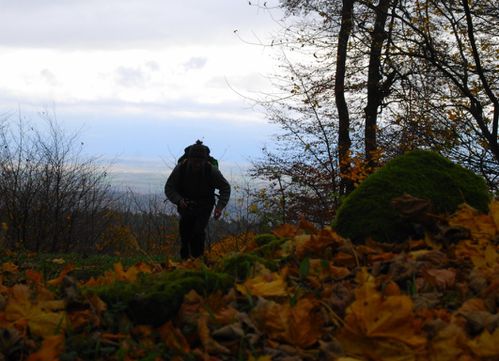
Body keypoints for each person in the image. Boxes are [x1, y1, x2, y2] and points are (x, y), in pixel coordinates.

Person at [165, 141, 231, 259]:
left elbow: (225, 187)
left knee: (198, 233)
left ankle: (198, 260)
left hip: (205, 205)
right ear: (189, 159)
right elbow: (169, 188)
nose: (197, 164)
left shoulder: (211, 170)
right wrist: (179, 200)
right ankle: (185, 261)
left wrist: (219, 207)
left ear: (205, 160)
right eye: (194, 161)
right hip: (185, 205)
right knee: (185, 233)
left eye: (200, 161)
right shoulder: (181, 168)